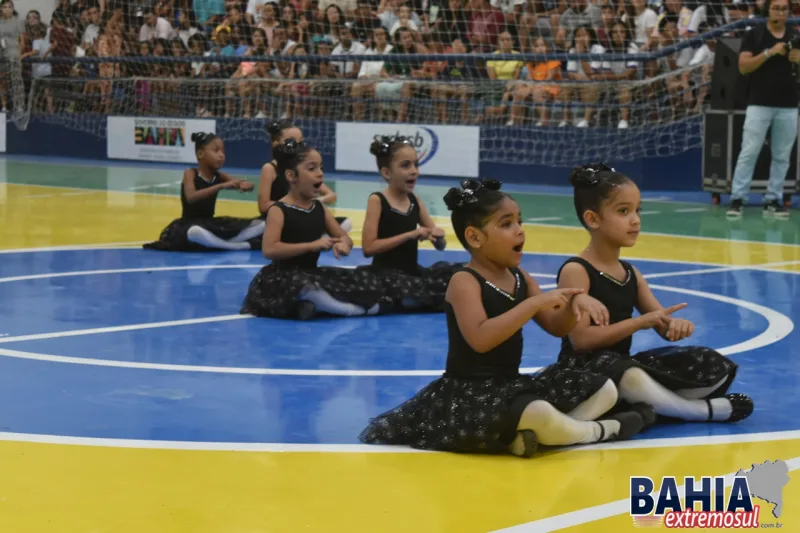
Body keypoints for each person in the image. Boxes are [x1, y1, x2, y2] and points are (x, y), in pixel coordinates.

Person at [359, 179, 652, 457]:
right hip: (470, 392)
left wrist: (573, 304)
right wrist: (534, 303)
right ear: (475, 237)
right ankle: (601, 431)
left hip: (511, 385)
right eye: (507, 224)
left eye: (520, 222)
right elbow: (481, 339)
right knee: (537, 411)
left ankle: (534, 435)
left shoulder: (520, 277)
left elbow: (555, 327)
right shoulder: (464, 281)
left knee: (604, 388)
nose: (520, 231)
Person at [557, 163, 754, 424]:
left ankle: (651, 403)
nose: (635, 220)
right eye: (623, 211)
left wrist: (675, 326)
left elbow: (661, 322)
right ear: (593, 219)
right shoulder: (576, 270)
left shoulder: (631, 274)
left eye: (638, 210)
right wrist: (638, 323)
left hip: (622, 364)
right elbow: (581, 341)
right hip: (585, 370)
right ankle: (696, 411)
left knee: (708, 361)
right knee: (628, 375)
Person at [241, 140, 391, 320]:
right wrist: (311, 245)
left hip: (311, 273)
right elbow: (269, 250)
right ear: (291, 176)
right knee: (304, 287)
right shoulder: (279, 209)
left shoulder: (319, 208)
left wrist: (343, 244)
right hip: (283, 277)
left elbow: (344, 238)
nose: (320, 173)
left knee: (361, 278)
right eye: (311, 169)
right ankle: (350, 310)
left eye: (321, 168)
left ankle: (308, 306)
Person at [361, 136, 461, 312]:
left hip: (412, 273)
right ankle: (396, 300)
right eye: (405, 165)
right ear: (386, 173)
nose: (414, 171)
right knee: (410, 290)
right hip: (385, 275)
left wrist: (438, 237)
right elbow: (368, 248)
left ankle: (405, 301)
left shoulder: (414, 200)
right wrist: (410, 235)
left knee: (459, 273)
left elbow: (440, 246)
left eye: (416, 164)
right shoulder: (377, 200)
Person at [727, 0, 800, 219]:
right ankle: (738, 198)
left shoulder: (796, 35)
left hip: (788, 104)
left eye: (784, 9)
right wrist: (769, 53)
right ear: (767, 11)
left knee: (782, 155)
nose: (781, 12)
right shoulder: (755, 35)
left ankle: (774, 199)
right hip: (759, 103)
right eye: (776, 8)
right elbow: (743, 66)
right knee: (749, 151)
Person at [143, 132, 264, 252]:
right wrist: (220, 186)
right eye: (216, 151)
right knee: (194, 232)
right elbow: (191, 197)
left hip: (210, 223)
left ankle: (222, 243)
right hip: (190, 224)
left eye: (223, 152)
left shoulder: (219, 176)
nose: (221, 155)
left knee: (262, 225)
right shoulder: (190, 173)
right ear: (201, 154)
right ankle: (235, 245)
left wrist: (246, 185)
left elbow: (243, 184)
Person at [258, 119, 352, 232]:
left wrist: (316, 201)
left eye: (301, 141)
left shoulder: (304, 168)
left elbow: (331, 195)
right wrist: (293, 204)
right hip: (279, 219)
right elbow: (263, 206)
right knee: (261, 226)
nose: (298, 146)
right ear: (276, 144)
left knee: (345, 224)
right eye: (291, 141)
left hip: (301, 218)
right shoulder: (270, 169)